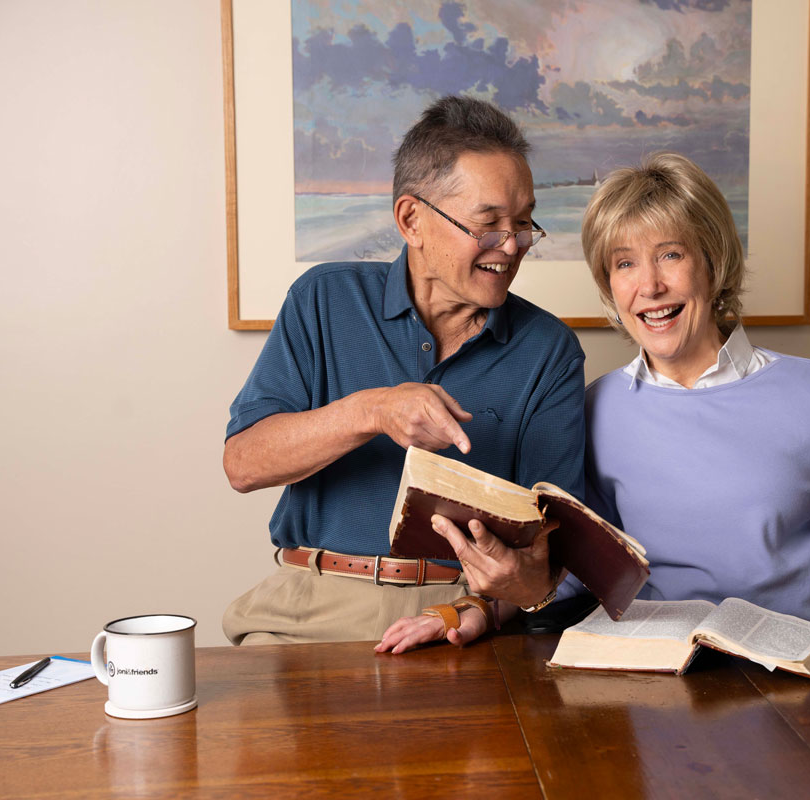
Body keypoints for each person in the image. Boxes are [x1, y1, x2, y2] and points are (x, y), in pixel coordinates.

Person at [379, 152, 810, 657]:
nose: (649, 286)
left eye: (671, 255)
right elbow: (583, 576)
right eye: (625, 263)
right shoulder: (595, 409)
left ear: (713, 261)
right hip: (665, 677)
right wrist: (475, 609)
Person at [222, 96, 578, 645]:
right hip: (310, 606)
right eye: (488, 225)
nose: (510, 248)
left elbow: (546, 566)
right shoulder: (324, 299)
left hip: (459, 618)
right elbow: (243, 464)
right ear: (412, 220)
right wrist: (372, 410)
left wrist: (508, 593)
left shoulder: (548, 349)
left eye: (524, 225)